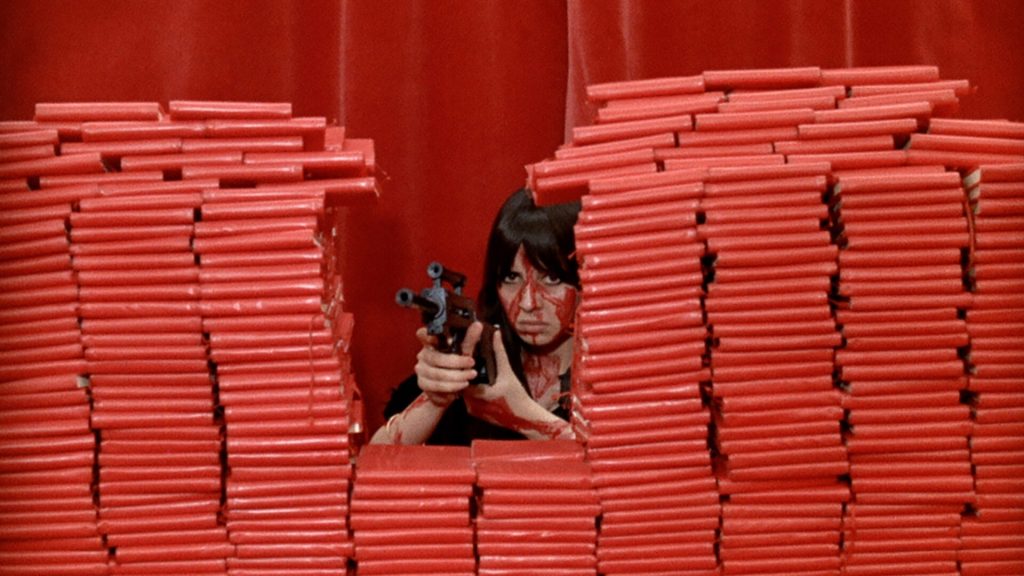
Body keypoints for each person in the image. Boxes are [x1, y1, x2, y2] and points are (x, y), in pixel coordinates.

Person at [370, 187, 581, 445]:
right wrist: (434, 399)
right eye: (511, 277)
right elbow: (377, 456)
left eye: (551, 278)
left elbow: (616, 464)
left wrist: (523, 415)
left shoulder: (610, 376)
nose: (528, 303)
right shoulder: (473, 360)